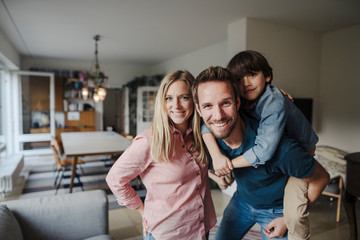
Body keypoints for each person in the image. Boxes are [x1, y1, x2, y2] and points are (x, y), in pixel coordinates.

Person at [193, 66, 329, 240]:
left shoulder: (281, 148)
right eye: (208, 106)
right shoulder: (208, 135)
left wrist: (288, 219)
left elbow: (322, 178)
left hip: (277, 210)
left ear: (238, 102)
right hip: (241, 201)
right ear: (199, 110)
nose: (218, 115)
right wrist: (218, 172)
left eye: (226, 103)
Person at [106, 70, 216, 240]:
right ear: (161, 102)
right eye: (169, 98)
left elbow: (191, 173)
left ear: (194, 101)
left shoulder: (200, 135)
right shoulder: (149, 140)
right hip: (169, 232)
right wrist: (141, 210)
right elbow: (114, 179)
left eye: (184, 97)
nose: (176, 105)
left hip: (201, 226)